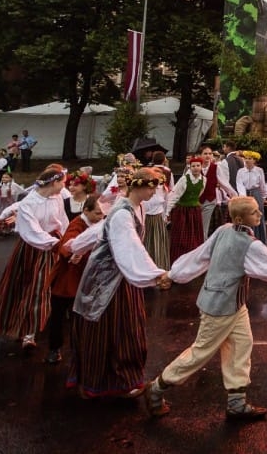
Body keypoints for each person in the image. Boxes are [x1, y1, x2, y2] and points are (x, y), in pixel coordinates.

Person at [146, 196, 267, 420]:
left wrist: (173, 274)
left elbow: (200, 255)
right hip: (220, 307)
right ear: (240, 218)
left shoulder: (224, 230)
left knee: (241, 345)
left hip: (232, 304)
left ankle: (236, 403)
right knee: (200, 353)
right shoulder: (247, 243)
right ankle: (156, 389)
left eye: (258, 210)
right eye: (254, 212)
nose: (259, 214)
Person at [68, 168, 171, 398]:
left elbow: (100, 229)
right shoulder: (123, 212)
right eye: (151, 185)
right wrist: (154, 274)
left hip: (123, 275)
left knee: (127, 328)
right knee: (110, 329)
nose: (155, 190)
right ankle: (98, 383)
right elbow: (128, 245)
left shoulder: (136, 206)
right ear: (138, 186)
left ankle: (123, 380)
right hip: (107, 279)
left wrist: (77, 245)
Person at [0, 168, 69, 350]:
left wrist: (67, 241)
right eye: (62, 182)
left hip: (53, 245)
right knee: (31, 287)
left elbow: (63, 221)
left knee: (44, 288)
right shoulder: (30, 202)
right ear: (54, 183)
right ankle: (27, 332)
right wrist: (55, 244)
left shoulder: (56, 198)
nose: (64, 186)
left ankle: (32, 328)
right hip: (33, 248)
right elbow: (32, 231)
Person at [44, 195, 104, 364]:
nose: (101, 217)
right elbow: (67, 244)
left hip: (85, 277)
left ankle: (81, 349)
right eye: (98, 213)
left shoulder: (98, 224)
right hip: (67, 281)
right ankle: (55, 349)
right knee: (59, 315)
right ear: (86, 210)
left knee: (81, 317)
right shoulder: (77, 224)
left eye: (103, 214)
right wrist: (73, 253)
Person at [166, 156, 207, 262]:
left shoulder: (203, 179)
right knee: (181, 237)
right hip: (182, 211)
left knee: (195, 235)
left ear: (201, 166)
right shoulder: (184, 179)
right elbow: (174, 195)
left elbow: (199, 194)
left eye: (198, 165)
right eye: (193, 166)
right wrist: (167, 212)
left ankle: (193, 259)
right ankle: (178, 259)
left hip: (194, 211)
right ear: (190, 167)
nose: (196, 168)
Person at [237, 150, 267, 244]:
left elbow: (262, 184)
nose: (247, 160)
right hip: (245, 195)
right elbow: (239, 184)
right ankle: (247, 240)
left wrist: (264, 197)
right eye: (246, 158)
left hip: (256, 194)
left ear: (254, 160)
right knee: (247, 216)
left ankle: (261, 240)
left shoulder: (259, 170)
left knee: (258, 216)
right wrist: (244, 197)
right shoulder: (241, 171)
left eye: (249, 159)